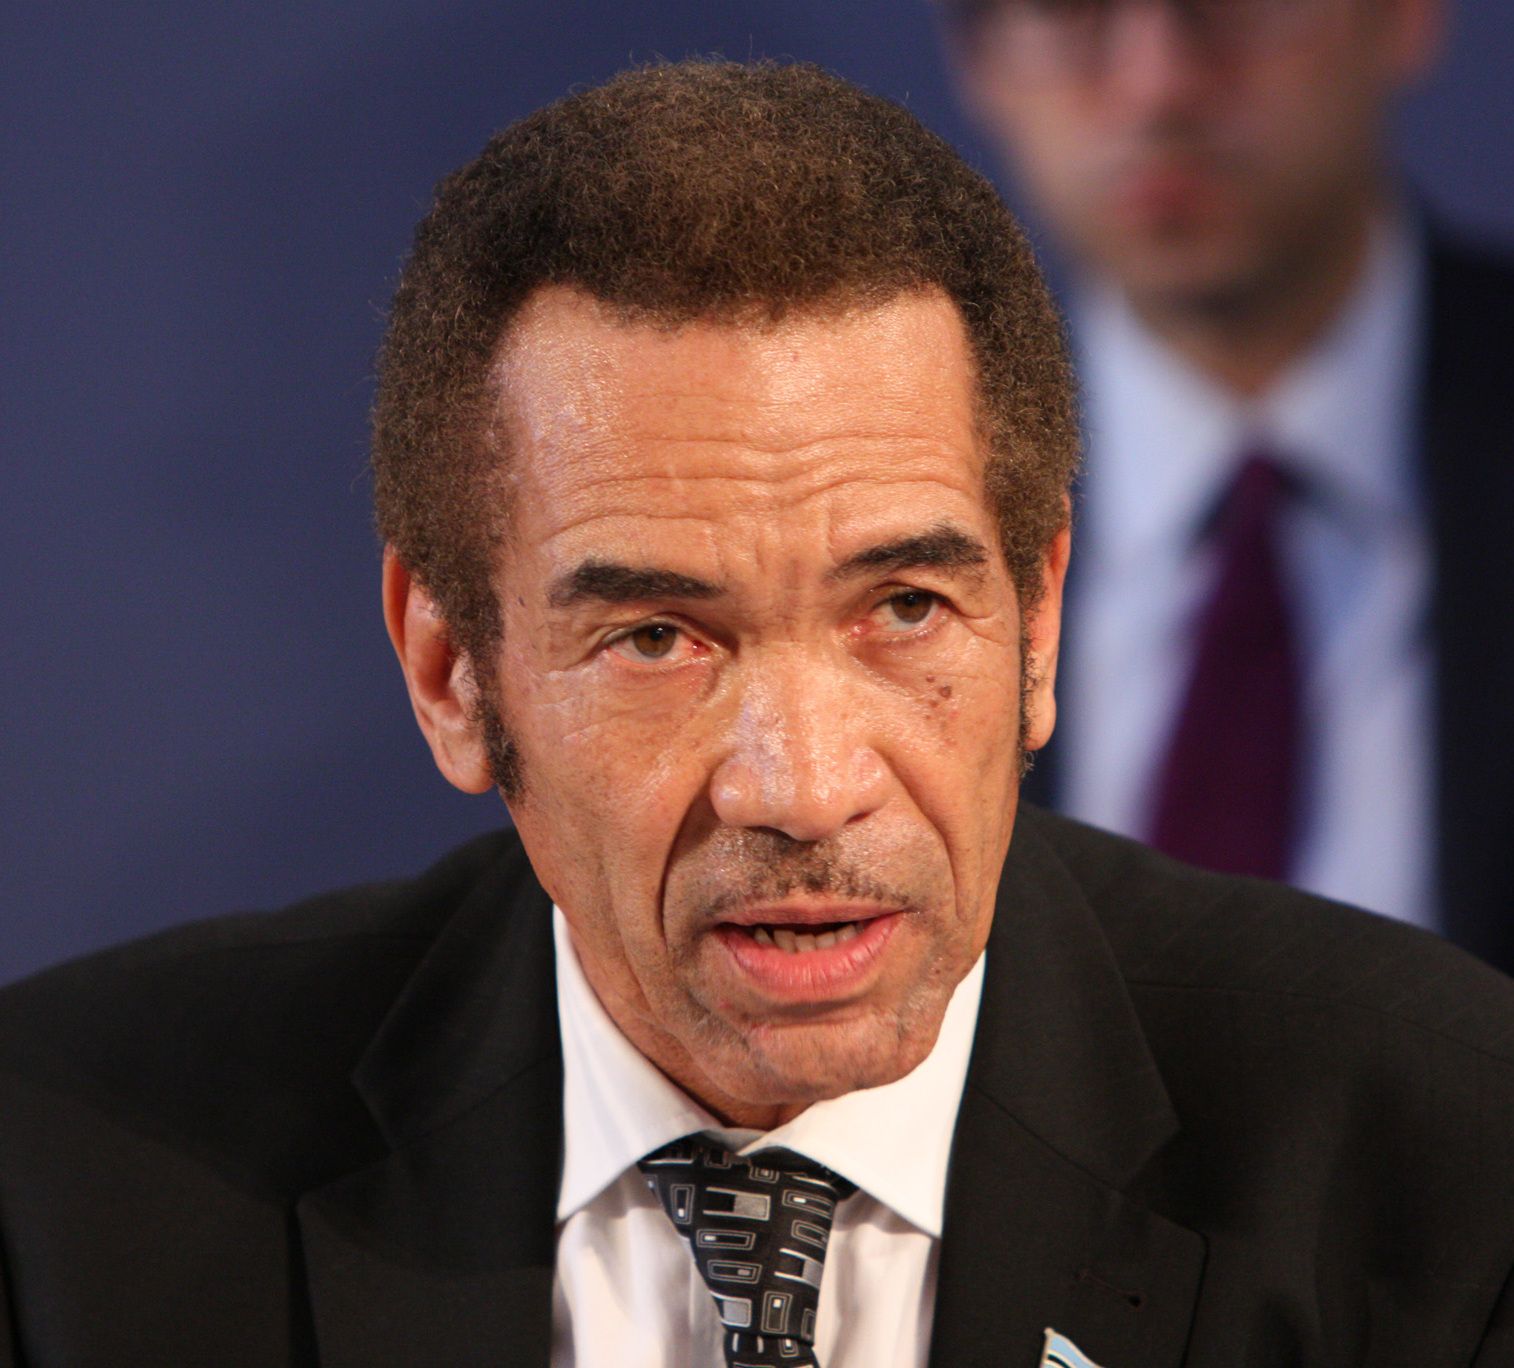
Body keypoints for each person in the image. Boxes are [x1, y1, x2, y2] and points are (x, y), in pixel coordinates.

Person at [1, 59, 1513, 1368]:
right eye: (658, 639)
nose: (802, 785)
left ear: (1038, 620)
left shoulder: (1441, 1154)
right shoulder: (63, 1186)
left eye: (903, 609)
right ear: (452, 673)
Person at [941, 0, 1514, 969]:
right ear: (978, 57)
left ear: (1402, 16)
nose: (1157, 85)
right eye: (1069, 9)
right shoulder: (892, 491)